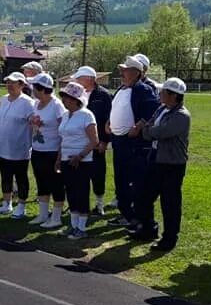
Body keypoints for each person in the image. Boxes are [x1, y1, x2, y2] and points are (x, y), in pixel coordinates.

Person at [130, 78, 192, 250]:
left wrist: (147, 131)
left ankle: (169, 238)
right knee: (143, 196)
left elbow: (159, 132)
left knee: (170, 203)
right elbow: (150, 126)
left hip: (172, 164)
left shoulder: (181, 116)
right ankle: (148, 228)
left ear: (173, 96)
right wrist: (148, 130)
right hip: (155, 158)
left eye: (163, 91)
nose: (160, 94)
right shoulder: (162, 109)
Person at [107, 55, 160, 227]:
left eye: (125, 70)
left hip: (133, 144)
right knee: (120, 180)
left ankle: (135, 216)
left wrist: (138, 126)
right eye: (121, 70)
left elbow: (153, 108)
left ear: (136, 73)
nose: (121, 73)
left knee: (134, 182)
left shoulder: (142, 89)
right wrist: (109, 122)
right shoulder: (122, 88)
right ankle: (127, 214)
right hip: (119, 142)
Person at [56, 81, 99, 238]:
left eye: (68, 98)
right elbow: (63, 139)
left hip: (82, 161)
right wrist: (59, 159)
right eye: (64, 97)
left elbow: (94, 140)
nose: (64, 101)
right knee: (71, 192)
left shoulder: (86, 115)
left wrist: (80, 156)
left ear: (76, 100)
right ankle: (73, 225)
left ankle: (82, 228)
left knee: (81, 192)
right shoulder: (66, 115)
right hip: (67, 159)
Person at [0, 72, 35, 217]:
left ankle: (21, 206)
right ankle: (6, 203)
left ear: (21, 85)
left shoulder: (28, 102)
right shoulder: (3, 99)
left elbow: (33, 124)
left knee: (21, 177)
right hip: (2, 145)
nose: (9, 85)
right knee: (5, 175)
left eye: (13, 82)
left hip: (19, 147)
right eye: (8, 82)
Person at [29, 73, 67, 228]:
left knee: (56, 183)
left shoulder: (57, 106)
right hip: (37, 149)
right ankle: (43, 214)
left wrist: (59, 154)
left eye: (34, 87)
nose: (32, 89)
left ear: (42, 89)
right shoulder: (36, 104)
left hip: (52, 151)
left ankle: (56, 217)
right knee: (42, 182)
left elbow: (63, 129)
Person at [73, 65, 111, 215]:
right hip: (79, 140)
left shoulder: (103, 95)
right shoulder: (76, 93)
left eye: (80, 78)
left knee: (98, 173)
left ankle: (99, 204)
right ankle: (80, 203)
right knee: (79, 174)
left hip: (97, 141)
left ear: (89, 79)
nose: (77, 81)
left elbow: (108, 119)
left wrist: (105, 141)